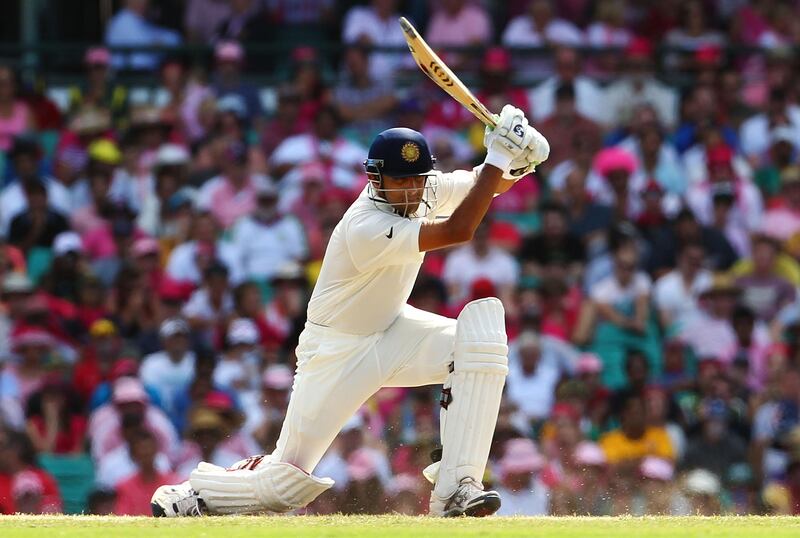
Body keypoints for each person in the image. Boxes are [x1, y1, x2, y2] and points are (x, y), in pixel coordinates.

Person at [151, 105, 550, 517]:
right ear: (376, 179)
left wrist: (525, 161)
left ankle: (456, 490)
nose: (411, 192)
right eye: (399, 182)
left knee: (480, 337)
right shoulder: (365, 225)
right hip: (337, 350)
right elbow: (458, 230)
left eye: (417, 181)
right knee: (285, 484)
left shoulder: (424, 191)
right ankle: (192, 495)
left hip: (394, 329)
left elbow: (483, 186)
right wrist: (501, 155)